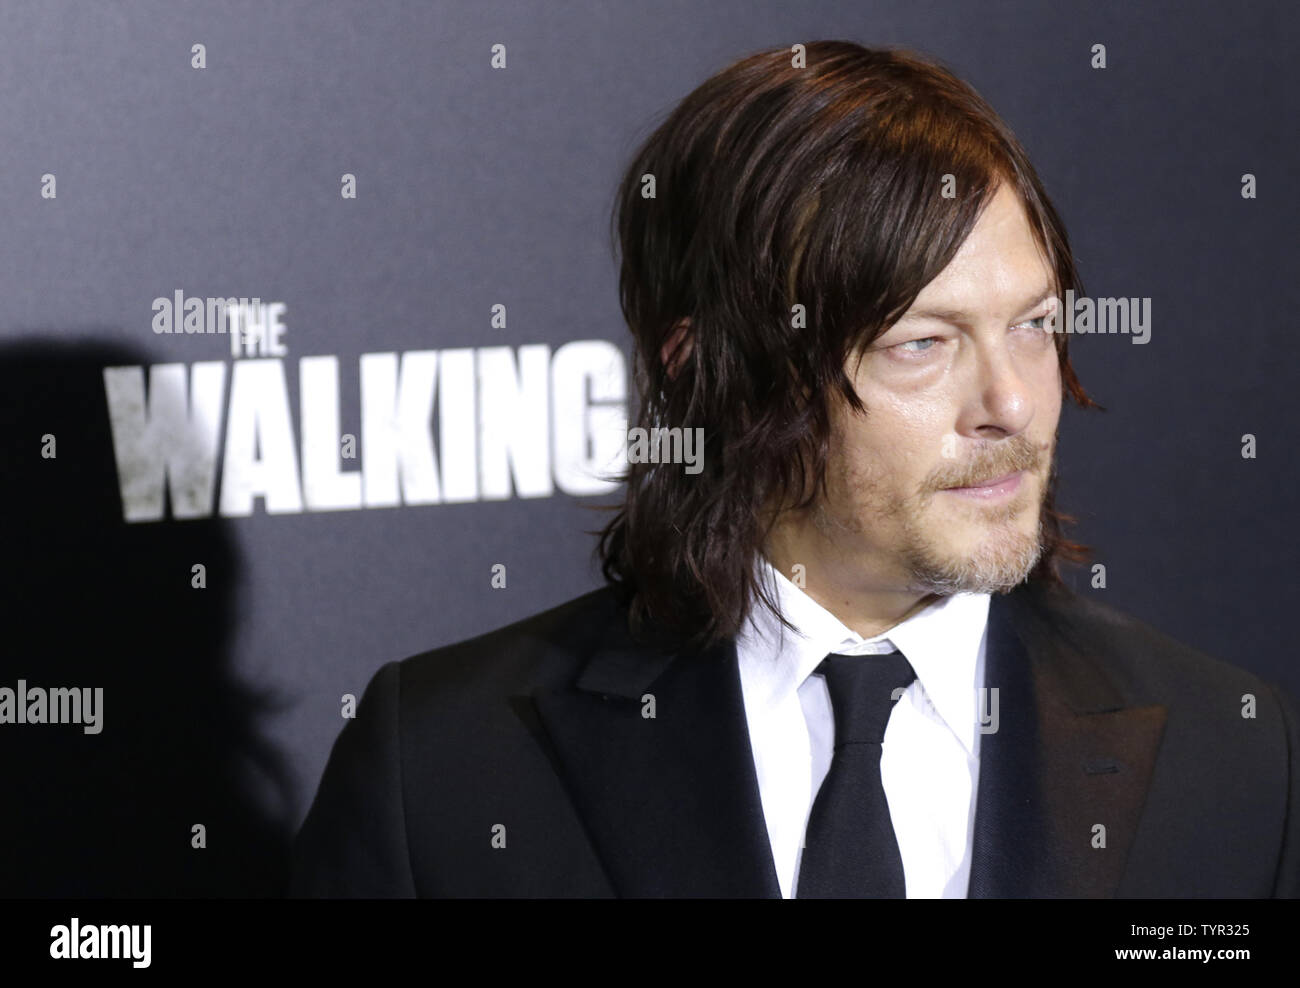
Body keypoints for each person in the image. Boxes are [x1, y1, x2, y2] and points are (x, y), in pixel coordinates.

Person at [289, 41, 1300, 898]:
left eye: (1033, 326)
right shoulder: (444, 769)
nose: (1014, 404)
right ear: (713, 374)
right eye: (922, 343)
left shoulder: (1235, 759)